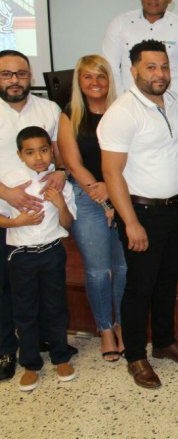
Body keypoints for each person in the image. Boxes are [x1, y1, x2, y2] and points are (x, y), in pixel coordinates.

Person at [99, 39, 178, 390]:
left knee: (169, 279)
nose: (160, 73)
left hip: (175, 209)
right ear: (133, 70)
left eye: (164, 66)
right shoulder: (122, 112)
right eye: (151, 67)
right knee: (140, 287)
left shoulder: (171, 102)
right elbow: (111, 173)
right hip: (141, 213)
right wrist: (130, 222)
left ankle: (164, 342)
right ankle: (135, 356)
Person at [0, 49, 67, 382]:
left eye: (21, 73)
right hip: (5, 211)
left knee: (45, 291)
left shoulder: (49, 109)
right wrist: (6, 193)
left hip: (43, 216)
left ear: (30, 76)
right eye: (6, 74)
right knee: (4, 287)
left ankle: (46, 342)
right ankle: (5, 350)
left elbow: (62, 152)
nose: (15, 80)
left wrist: (62, 172)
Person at [57, 55, 126, 361]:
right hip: (87, 197)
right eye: (88, 77)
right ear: (79, 82)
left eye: (101, 76)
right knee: (99, 270)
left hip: (121, 192)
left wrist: (112, 192)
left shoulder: (121, 111)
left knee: (124, 267)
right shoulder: (69, 115)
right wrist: (104, 198)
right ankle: (105, 329)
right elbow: (72, 163)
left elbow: (132, 156)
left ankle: (122, 324)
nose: (95, 82)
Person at [0, 126, 77, 392]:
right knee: (25, 312)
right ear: (20, 155)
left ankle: (61, 358)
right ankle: (31, 364)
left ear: (51, 151)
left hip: (52, 252)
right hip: (21, 256)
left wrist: (60, 204)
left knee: (56, 307)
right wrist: (15, 222)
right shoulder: (10, 182)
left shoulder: (59, 183)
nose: (38, 158)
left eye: (43, 150)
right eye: (30, 152)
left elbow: (67, 223)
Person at [101, 0, 178, 101]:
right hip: (128, 100)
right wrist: (122, 101)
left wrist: (176, 103)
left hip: (169, 100)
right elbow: (110, 68)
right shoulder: (120, 24)